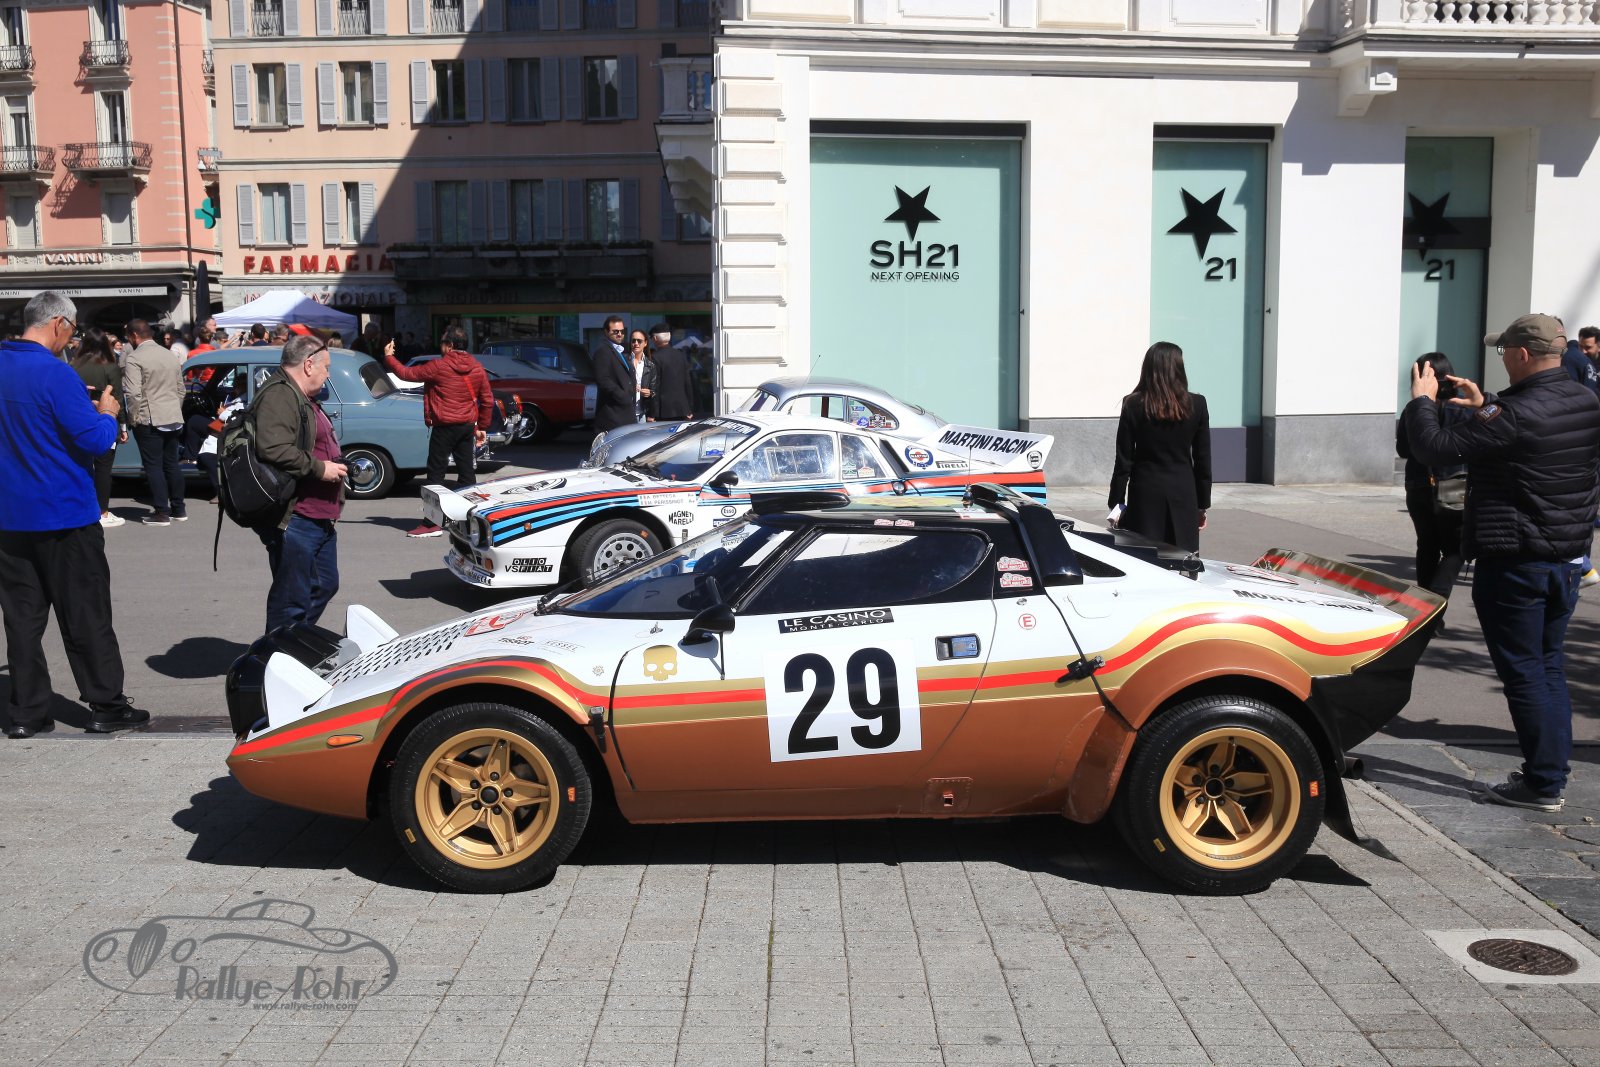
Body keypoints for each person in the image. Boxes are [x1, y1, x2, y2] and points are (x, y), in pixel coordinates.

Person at [1404, 313, 1600, 813]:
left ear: (1522, 354)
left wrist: (1422, 400)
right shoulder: (1584, 399)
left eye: (1503, 351)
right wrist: (1486, 403)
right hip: (1566, 558)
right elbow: (1526, 430)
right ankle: (1551, 772)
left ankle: (1542, 783)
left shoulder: (1514, 414)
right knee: (1548, 666)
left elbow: (1433, 448)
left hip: (1516, 561)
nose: (1502, 358)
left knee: (1525, 674)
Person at [0, 291, 150, 737]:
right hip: (63, 514)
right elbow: (94, 441)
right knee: (86, 614)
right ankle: (106, 704)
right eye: (72, 329)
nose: (72, 337)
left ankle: (27, 712)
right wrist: (106, 413)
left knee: (22, 620)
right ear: (59, 324)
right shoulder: (55, 373)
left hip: (10, 517)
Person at [253, 334, 349, 634]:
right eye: (326, 368)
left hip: (317, 515)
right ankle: (276, 653)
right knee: (291, 599)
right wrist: (320, 468)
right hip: (296, 517)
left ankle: (293, 642)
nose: (328, 375)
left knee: (324, 584)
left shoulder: (299, 394)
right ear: (308, 365)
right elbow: (273, 448)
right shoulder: (279, 395)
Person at [383, 326, 493, 538]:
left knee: (435, 475)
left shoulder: (438, 366)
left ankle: (432, 524)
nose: (440, 346)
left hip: (444, 426)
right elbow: (487, 400)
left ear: (449, 345)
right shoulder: (477, 367)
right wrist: (482, 427)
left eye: (442, 342)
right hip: (466, 426)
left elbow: (406, 374)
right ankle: (469, 519)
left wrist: (389, 357)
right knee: (466, 473)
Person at [1107, 341, 1212, 552]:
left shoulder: (1132, 404)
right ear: (1178, 368)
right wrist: (1202, 505)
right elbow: (1203, 460)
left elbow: (1124, 460)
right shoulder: (1197, 404)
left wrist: (1116, 503)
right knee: (1183, 559)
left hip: (1144, 493)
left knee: (1144, 558)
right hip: (1183, 493)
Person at [1396, 352, 1468, 596]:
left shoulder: (1412, 409)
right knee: (1455, 548)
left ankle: (1424, 605)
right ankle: (1437, 598)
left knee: (1427, 545)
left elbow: (1403, 449)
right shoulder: (1462, 408)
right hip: (1454, 483)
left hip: (1417, 483)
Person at [122, 318, 187, 526]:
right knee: (171, 464)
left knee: (153, 466)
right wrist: (174, 408)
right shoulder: (169, 355)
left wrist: (133, 418)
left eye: (128, 337)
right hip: (172, 416)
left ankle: (161, 512)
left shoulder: (134, 358)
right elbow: (181, 389)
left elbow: (133, 394)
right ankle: (178, 508)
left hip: (150, 417)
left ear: (134, 336)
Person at [72, 328, 130, 528]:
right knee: (104, 468)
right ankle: (102, 511)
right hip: (104, 418)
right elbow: (118, 398)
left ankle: (84, 508)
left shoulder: (73, 366)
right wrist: (123, 426)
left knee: (82, 466)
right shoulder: (110, 367)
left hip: (79, 419)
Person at [591, 315, 636, 432]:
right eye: (615, 331)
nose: (619, 334)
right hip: (613, 415)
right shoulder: (603, 351)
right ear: (606, 332)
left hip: (625, 413)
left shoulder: (621, 351)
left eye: (622, 331)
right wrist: (623, 397)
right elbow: (603, 380)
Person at [646, 322, 693, 422]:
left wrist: (652, 413)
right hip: (682, 409)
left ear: (655, 338)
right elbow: (688, 382)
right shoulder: (680, 355)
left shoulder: (655, 357)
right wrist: (689, 408)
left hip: (663, 411)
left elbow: (655, 386)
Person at [626, 328, 657, 424]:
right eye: (633, 341)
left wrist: (650, 392)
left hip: (642, 414)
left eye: (639, 341)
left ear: (645, 343)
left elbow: (654, 390)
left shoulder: (650, 365)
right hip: (626, 412)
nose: (636, 343)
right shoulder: (624, 361)